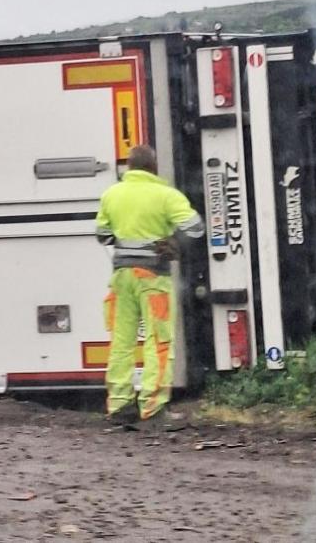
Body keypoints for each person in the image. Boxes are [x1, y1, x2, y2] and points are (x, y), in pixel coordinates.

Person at [95, 145, 204, 425]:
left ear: (129, 167)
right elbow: (195, 227)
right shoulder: (166, 195)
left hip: (121, 277)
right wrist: (175, 244)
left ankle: (119, 405)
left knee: (122, 342)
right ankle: (152, 408)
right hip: (153, 278)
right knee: (158, 342)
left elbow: (102, 234)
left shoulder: (111, 194)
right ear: (153, 167)